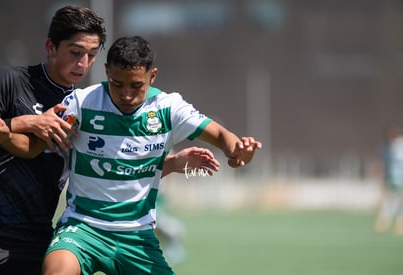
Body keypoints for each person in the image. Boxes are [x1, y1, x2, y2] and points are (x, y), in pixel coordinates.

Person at [0, 6, 219, 275]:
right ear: (51, 47)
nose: (83, 63)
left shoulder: (84, 106)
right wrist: (25, 122)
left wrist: (173, 163)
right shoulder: (10, 82)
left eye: (91, 54)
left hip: (37, 236)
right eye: (75, 53)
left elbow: (114, 169)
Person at [37, 35, 261, 275]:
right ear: (106, 72)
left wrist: (238, 151)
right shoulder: (81, 103)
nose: (126, 94)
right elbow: (36, 141)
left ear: (152, 76)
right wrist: (10, 130)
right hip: (82, 228)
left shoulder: (169, 108)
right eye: (117, 83)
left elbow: (221, 135)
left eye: (136, 86)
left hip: (137, 236)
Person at [374, 125, 403, 235]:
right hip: (398, 177)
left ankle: (384, 222)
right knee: (396, 201)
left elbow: (389, 162)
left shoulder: (394, 145)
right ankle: (396, 224)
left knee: (393, 200)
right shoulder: (398, 145)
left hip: (394, 177)